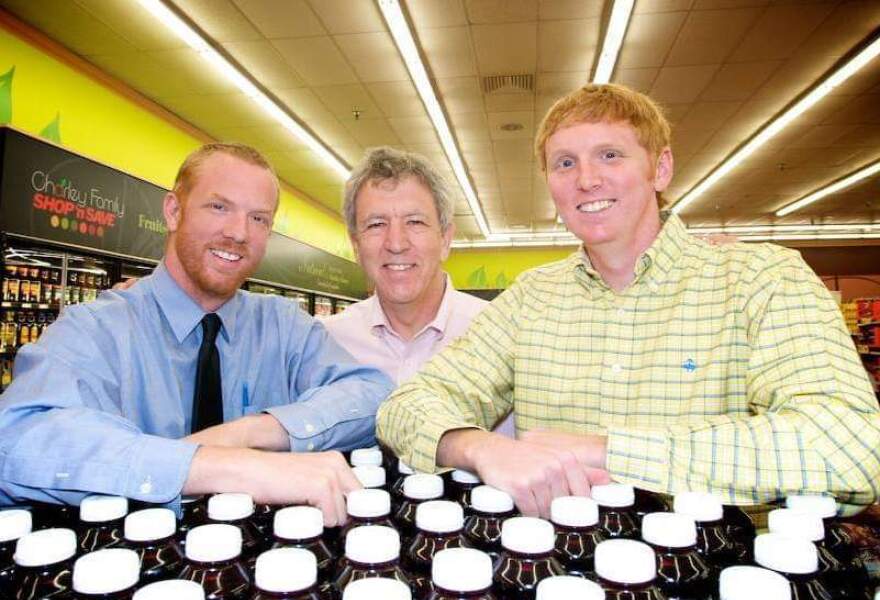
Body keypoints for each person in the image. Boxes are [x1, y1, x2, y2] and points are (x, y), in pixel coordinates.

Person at [376, 83, 880, 519]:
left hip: (721, 573)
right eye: (565, 163)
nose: (586, 179)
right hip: (557, 579)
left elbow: (850, 446)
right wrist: (481, 447)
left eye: (610, 155)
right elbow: (407, 406)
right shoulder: (531, 298)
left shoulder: (763, 280)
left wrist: (609, 453)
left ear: (660, 168)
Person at [0, 143, 393, 525]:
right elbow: (19, 437)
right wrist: (215, 466)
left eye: (259, 218)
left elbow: (371, 395)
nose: (239, 233)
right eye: (219, 207)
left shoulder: (283, 325)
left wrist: (251, 433)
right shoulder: (97, 328)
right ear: (173, 211)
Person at [322, 147, 514, 436]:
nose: (396, 243)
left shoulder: (501, 335)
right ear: (356, 245)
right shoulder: (325, 343)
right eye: (376, 224)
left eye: (415, 222)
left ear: (446, 239)